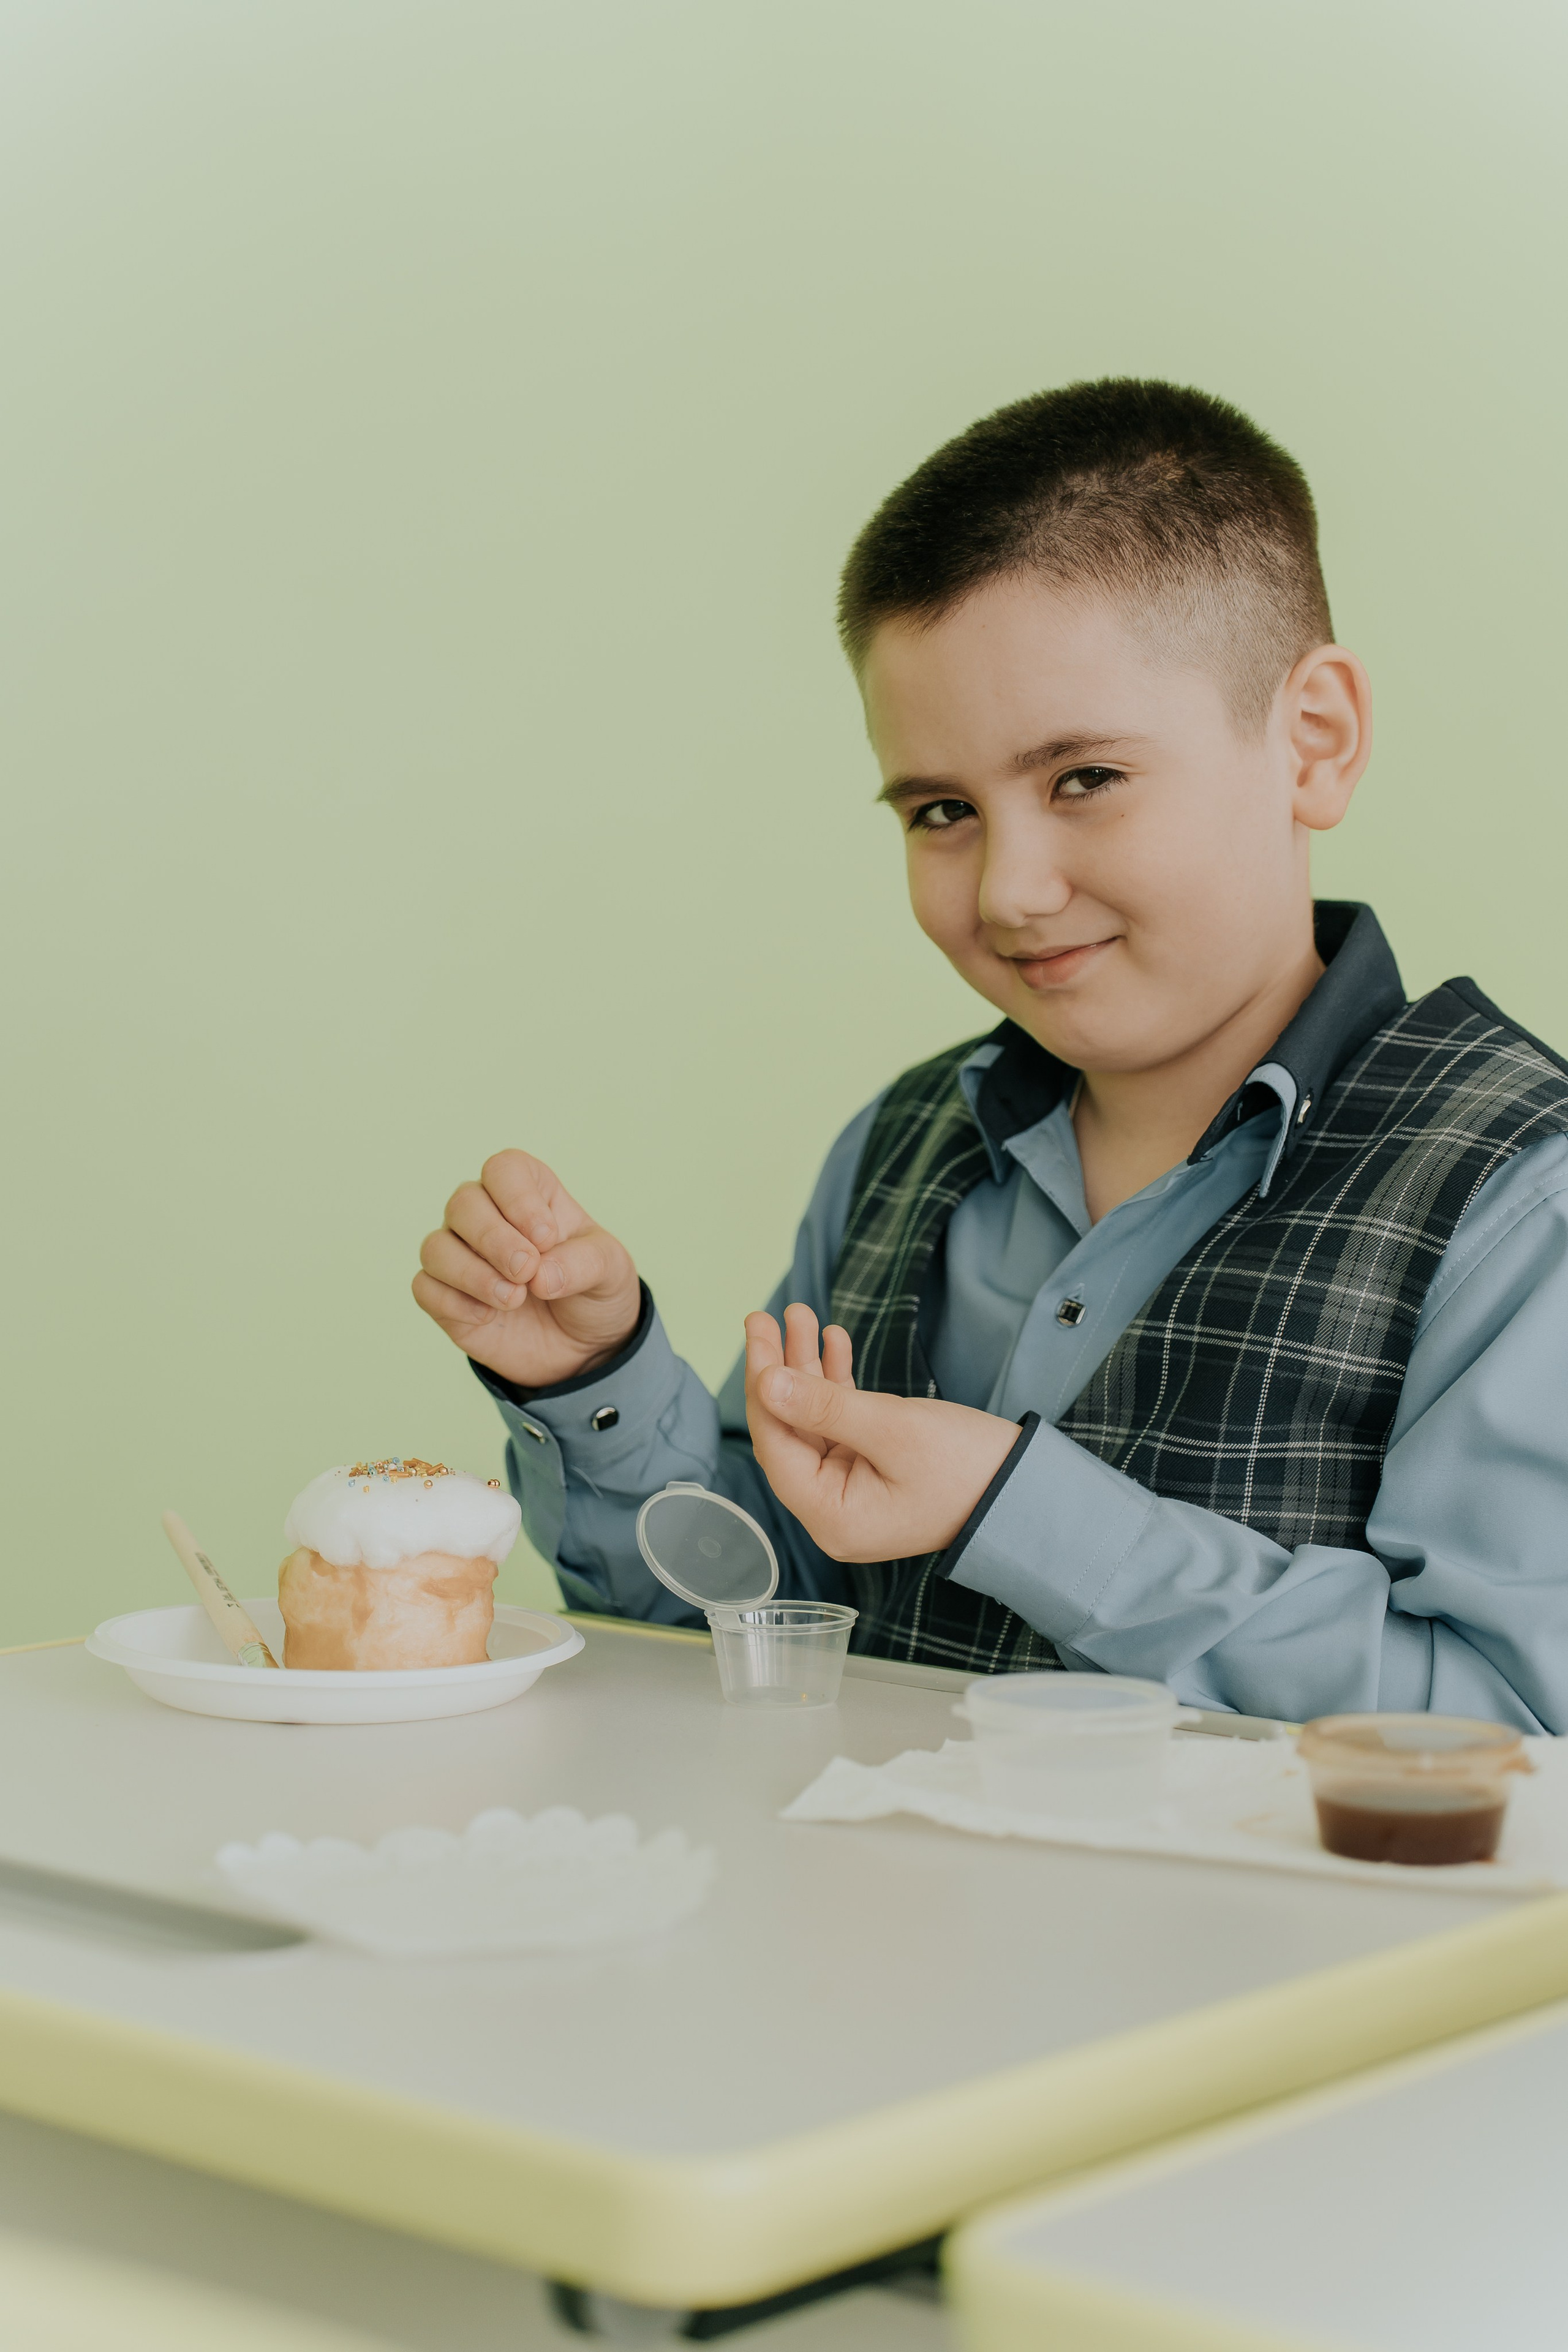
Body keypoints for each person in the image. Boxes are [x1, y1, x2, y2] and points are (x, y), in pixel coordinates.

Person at [414, 379, 1568, 1730]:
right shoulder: (904, 1146)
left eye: (1082, 780)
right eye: (942, 809)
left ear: (1310, 741)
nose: (1010, 889)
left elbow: (1513, 1730)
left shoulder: (1515, 1198)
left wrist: (1013, 1508)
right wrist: (592, 1383)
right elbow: (753, 1625)